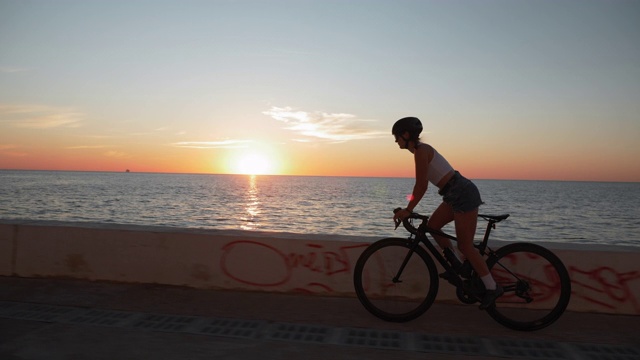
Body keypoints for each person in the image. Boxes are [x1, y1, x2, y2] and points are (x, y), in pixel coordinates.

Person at [391, 116, 503, 309]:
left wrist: (408, 209)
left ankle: (492, 287)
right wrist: (408, 209)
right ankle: (457, 266)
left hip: (462, 193)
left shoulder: (420, 151)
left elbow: (421, 185)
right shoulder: (420, 151)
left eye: (397, 137)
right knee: (433, 227)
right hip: (453, 193)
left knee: (466, 246)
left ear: (406, 135)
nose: (395, 141)